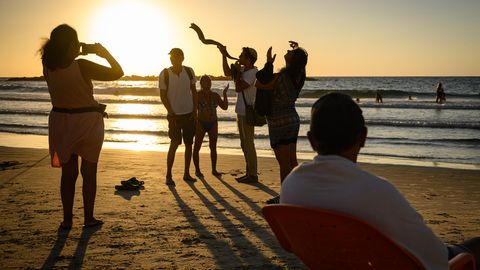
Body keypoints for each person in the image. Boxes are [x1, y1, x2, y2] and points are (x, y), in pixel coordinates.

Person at [280, 92, 480, 270]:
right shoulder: (377, 191)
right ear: (364, 137)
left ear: (310, 140)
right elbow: (437, 259)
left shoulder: (292, 185)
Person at [40, 24, 124, 229]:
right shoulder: (82, 65)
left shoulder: (47, 65)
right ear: (69, 45)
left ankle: (67, 220)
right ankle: (88, 218)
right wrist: (104, 53)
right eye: (75, 42)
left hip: (61, 123)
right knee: (89, 172)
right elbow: (118, 72)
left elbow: (64, 76)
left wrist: (79, 47)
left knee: (68, 175)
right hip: (87, 123)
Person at [255, 42, 308, 204]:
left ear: (292, 60)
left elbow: (260, 84)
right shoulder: (299, 76)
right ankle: (297, 193)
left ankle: (285, 196)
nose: (287, 51)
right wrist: (298, 49)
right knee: (292, 161)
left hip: (279, 121)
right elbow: (302, 65)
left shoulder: (281, 77)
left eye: (291, 52)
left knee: (284, 163)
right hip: (292, 118)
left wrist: (268, 62)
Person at [218, 45, 259, 183]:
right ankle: (249, 172)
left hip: (247, 111)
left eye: (242, 56)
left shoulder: (253, 72)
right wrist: (224, 55)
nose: (239, 57)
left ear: (248, 59)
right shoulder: (242, 70)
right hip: (240, 110)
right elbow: (226, 72)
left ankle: (253, 174)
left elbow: (239, 87)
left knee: (249, 143)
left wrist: (238, 73)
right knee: (243, 143)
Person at [159, 48, 197, 186]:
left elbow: (194, 92)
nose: (172, 59)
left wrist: (195, 111)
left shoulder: (189, 71)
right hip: (174, 116)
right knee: (174, 144)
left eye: (175, 56)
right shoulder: (165, 73)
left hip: (189, 114)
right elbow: (163, 96)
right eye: (171, 57)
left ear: (182, 57)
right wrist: (171, 112)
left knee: (189, 145)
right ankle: (168, 175)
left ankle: (187, 173)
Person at [193, 75, 229, 177]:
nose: (208, 83)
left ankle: (214, 169)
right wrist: (194, 122)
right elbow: (193, 110)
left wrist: (225, 94)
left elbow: (225, 107)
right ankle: (197, 170)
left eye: (209, 81)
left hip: (213, 123)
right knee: (196, 147)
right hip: (200, 123)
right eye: (206, 81)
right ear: (201, 83)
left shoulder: (215, 95)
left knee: (213, 147)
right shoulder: (197, 95)